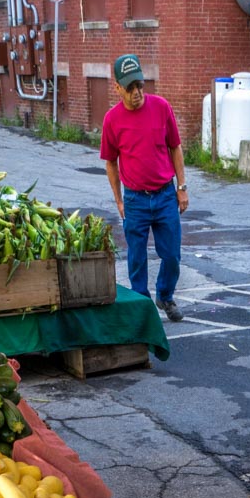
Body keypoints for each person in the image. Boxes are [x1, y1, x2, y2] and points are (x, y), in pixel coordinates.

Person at [100, 53, 189, 323]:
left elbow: (175, 147)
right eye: (130, 87)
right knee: (136, 259)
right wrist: (119, 200)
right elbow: (111, 163)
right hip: (135, 200)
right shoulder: (112, 120)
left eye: (140, 85)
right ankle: (142, 305)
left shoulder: (162, 107)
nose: (137, 92)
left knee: (172, 254)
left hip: (164, 195)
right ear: (117, 88)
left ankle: (165, 294)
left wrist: (181, 187)